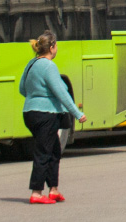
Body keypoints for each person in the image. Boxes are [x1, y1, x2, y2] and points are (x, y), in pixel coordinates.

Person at [20, 31, 86, 205]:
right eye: (56, 46)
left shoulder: (31, 64)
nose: (56, 49)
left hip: (30, 113)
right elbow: (62, 93)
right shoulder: (49, 66)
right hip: (45, 115)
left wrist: (36, 95)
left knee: (54, 150)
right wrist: (78, 114)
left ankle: (53, 189)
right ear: (51, 47)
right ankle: (36, 192)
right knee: (44, 151)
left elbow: (22, 89)